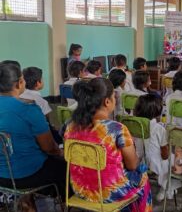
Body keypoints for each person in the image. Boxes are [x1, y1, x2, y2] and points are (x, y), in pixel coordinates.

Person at [64, 78, 152, 211]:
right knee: (143, 175)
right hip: (111, 194)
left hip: (80, 190)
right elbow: (132, 165)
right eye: (114, 97)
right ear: (107, 102)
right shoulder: (117, 129)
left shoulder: (71, 127)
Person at [0, 63, 67, 209]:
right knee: (66, 169)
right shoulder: (28, 108)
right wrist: (62, 153)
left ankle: (26, 203)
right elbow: (49, 148)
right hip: (28, 176)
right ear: (19, 83)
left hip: (2, 176)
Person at [134, 94, 181, 202]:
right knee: (175, 159)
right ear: (157, 111)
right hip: (155, 164)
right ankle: (165, 188)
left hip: (140, 162)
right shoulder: (159, 129)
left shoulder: (135, 125)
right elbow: (164, 154)